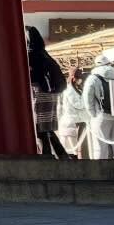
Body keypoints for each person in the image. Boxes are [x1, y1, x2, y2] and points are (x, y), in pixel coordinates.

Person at [26, 27, 69, 158]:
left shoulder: (30, 55)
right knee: (47, 127)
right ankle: (61, 154)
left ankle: (47, 155)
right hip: (51, 94)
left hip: (39, 93)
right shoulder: (45, 54)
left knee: (40, 127)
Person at [83, 51, 114, 160]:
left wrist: (93, 114)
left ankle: (100, 173)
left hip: (101, 116)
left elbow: (87, 98)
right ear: (108, 63)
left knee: (100, 148)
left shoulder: (92, 78)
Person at [58, 65, 89, 157]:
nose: (81, 81)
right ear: (74, 78)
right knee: (74, 150)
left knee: (76, 150)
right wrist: (87, 98)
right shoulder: (69, 91)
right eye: (79, 78)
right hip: (72, 123)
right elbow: (79, 105)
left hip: (75, 122)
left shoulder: (76, 89)